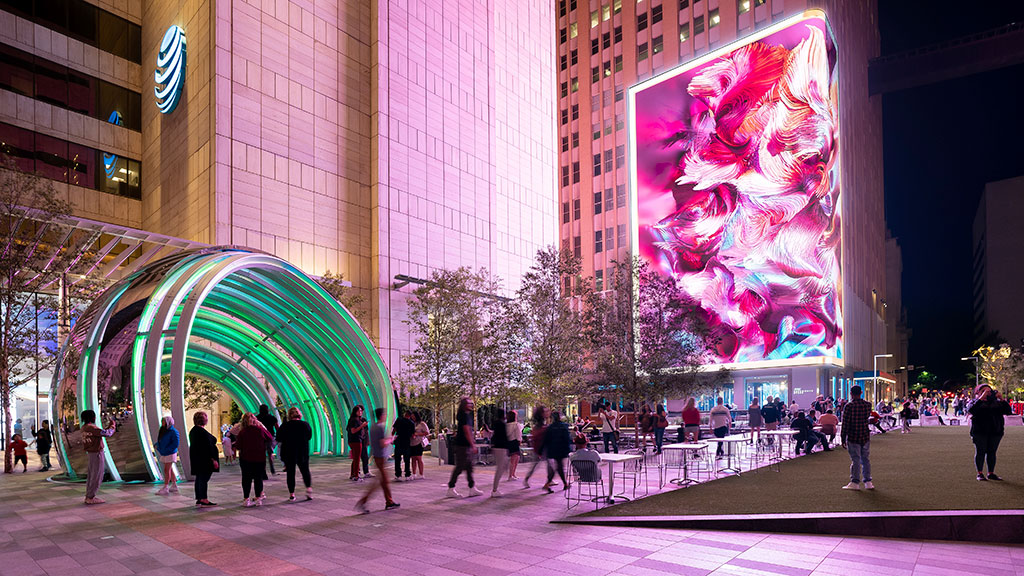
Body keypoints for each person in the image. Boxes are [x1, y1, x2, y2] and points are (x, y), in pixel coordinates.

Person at [355, 407, 400, 513]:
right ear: (382, 416)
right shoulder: (380, 428)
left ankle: (389, 501)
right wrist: (391, 439)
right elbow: (382, 443)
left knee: (383, 481)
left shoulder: (373, 427)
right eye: (384, 415)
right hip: (380, 457)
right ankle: (363, 501)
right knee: (380, 482)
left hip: (377, 456)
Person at [969, 384, 1012, 481]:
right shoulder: (974, 402)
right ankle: (980, 473)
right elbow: (971, 410)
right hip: (979, 431)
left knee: (992, 452)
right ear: (978, 392)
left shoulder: (996, 403)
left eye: (989, 391)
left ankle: (991, 473)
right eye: (984, 391)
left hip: (995, 431)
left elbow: (1008, 411)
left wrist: (1001, 399)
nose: (987, 393)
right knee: (980, 452)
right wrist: (981, 398)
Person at [235, 413, 274, 507]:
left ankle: (246, 499)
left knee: (246, 479)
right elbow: (270, 437)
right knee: (258, 478)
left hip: (245, 458)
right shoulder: (260, 430)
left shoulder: (242, 432)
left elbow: (238, 446)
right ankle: (258, 498)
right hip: (259, 458)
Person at [447, 397, 483, 498]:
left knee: (469, 467)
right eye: (469, 403)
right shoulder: (464, 415)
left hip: (465, 445)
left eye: (471, 403)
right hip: (462, 445)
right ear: (464, 405)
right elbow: (467, 431)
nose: (471, 405)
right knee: (459, 467)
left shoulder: (466, 415)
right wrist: (473, 445)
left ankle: (472, 488)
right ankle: (451, 488)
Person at [840, 385, 873, 490]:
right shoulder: (868, 405)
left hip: (853, 435)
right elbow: (866, 419)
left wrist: (843, 437)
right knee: (865, 459)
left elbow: (845, 423)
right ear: (861, 392)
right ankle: (868, 481)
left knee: (856, 459)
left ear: (851, 393)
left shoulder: (849, 406)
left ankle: (855, 482)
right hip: (865, 435)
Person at [277, 407, 313, 501]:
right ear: (299, 414)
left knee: (290, 473)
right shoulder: (305, 425)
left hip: (289, 452)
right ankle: (308, 489)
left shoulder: (285, 426)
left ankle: (292, 494)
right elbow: (309, 436)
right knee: (305, 471)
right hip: (303, 451)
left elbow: (279, 438)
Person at [80, 410, 116, 504]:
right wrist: (112, 426)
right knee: (97, 475)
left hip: (91, 454)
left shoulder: (84, 427)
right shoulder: (92, 428)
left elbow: (100, 433)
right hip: (97, 453)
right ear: (93, 417)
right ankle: (91, 497)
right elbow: (107, 433)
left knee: (92, 475)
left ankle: (89, 495)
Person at [188, 411, 220, 507]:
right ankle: (203, 498)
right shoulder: (201, 432)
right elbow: (207, 447)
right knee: (203, 479)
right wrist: (213, 459)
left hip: (197, 459)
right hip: (205, 460)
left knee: (200, 479)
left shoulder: (194, 431)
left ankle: (199, 498)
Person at [542, 411, 571, 493]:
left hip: (552, 450)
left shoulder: (550, 427)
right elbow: (567, 439)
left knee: (558, 467)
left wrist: (543, 450)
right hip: (561, 449)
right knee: (559, 467)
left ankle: (563, 483)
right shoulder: (564, 426)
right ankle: (562, 484)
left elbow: (546, 440)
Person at [522, 405, 549, 489]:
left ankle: (549, 480)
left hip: (541, 448)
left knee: (546, 464)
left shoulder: (542, 422)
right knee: (537, 465)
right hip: (540, 448)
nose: (547, 412)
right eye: (545, 411)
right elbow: (537, 435)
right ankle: (527, 479)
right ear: (541, 413)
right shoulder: (540, 424)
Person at [154, 415, 180, 495]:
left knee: (166, 469)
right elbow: (162, 440)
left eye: (164, 421)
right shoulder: (164, 431)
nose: (162, 423)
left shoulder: (173, 431)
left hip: (170, 453)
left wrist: (167, 449)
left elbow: (175, 443)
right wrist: (157, 445)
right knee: (169, 469)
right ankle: (174, 485)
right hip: (165, 452)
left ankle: (166, 486)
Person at [490, 408, 509, 497]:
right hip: (501, 447)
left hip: (497, 447)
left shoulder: (496, 423)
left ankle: (495, 489)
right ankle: (494, 490)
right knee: (500, 468)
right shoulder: (502, 424)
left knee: (501, 467)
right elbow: (505, 437)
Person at [347, 405, 369, 481]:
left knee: (356, 458)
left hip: (354, 441)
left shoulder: (354, 419)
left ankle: (353, 474)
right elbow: (353, 431)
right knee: (357, 459)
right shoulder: (355, 420)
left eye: (361, 411)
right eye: (359, 411)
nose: (360, 412)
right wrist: (362, 426)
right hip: (356, 440)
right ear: (355, 411)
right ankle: (356, 476)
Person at [391, 410, 415, 482]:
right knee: (407, 459)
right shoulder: (411, 423)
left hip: (398, 441)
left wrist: (392, 438)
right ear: (410, 416)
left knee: (397, 458)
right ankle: (407, 474)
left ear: (405, 414)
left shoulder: (399, 419)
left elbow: (394, 430)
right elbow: (413, 435)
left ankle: (398, 475)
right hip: (406, 442)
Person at [256, 404, 279, 477]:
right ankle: (272, 468)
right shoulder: (272, 418)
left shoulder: (257, 418)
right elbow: (277, 427)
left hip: (260, 438)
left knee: (261, 454)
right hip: (269, 437)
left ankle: (263, 471)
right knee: (270, 453)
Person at [409, 411, 429, 480]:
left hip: (419, 442)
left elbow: (427, 432)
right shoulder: (411, 423)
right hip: (412, 442)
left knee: (419, 458)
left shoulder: (422, 424)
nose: (413, 418)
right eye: (412, 417)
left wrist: (418, 434)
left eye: (414, 416)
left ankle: (421, 473)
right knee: (413, 458)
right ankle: (414, 473)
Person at [506, 411, 523, 480]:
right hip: (515, 442)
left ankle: (512, 474)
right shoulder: (516, 424)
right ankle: (511, 475)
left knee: (513, 459)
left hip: (509, 442)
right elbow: (518, 434)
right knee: (515, 459)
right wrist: (520, 440)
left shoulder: (506, 425)